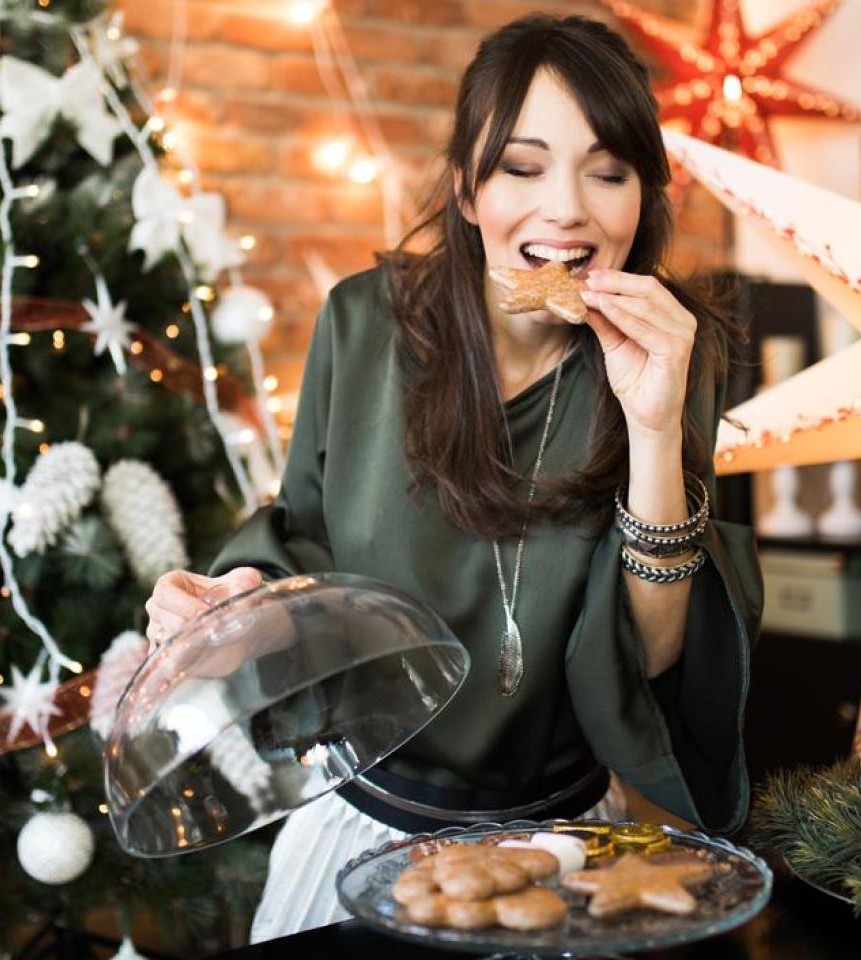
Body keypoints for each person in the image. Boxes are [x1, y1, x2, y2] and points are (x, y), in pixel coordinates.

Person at [143, 13, 763, 943]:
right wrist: (232, 606)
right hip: (359, 824)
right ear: (469, 192)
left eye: (608, 170)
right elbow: (303, 538)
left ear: (643, 195)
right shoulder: (365, 323)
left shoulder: (676, 349)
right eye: (521, 166)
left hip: (564, 846)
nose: (567, 210)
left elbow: (656, 659)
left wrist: (652, 421)